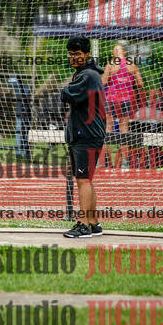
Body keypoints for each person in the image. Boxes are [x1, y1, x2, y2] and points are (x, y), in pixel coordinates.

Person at [61, 36, 106, 238]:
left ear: (87, 54)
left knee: (83, 180)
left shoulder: (88, 75)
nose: (73, 58)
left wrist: (64, 90)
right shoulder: (86, 73)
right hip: (86, 134)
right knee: (86, 179)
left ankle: (83, 224)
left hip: (86, 135)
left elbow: (67, 94)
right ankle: (93, 223)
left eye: (78, 54)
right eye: (70, 54)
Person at [102, 44, 143, 169]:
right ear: (124, 52)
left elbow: (103, 82)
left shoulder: (111, 64)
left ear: (114, 53)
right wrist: (129, 83)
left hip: (112, 99)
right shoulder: (132, 64)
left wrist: (113, 80)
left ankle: (104, 161)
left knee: (107, 129)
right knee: (124, 129)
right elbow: (140, 84)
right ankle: (125, 162)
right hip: (126, 99)